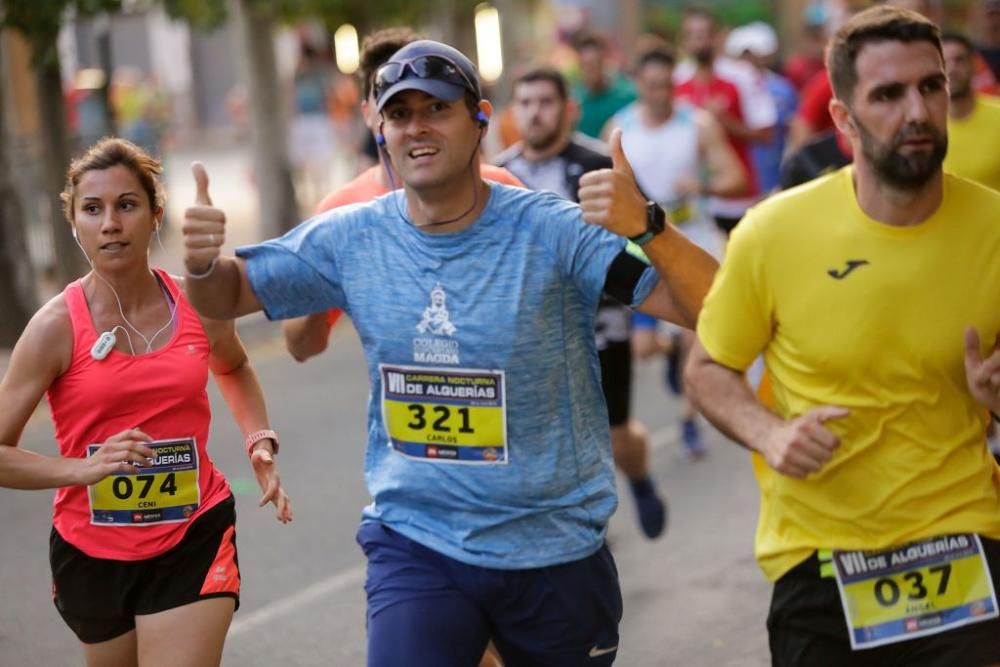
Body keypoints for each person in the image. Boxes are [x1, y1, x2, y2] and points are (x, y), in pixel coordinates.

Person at [182, 38, 718, 666]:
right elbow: (227, 294)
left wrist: (648, 226)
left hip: (553, 548)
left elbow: (711, 309)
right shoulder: (352, 236)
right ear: (380, 131)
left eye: (435, 109)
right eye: (399, 114)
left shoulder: (553, 231)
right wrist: (199, 264)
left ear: (480, 119)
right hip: (417, 540)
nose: (417, 128)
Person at [685, 7, 1000, 664]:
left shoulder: (995, 226)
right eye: (887, 94)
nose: (917, 110)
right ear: (843, 119)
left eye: (930, 86)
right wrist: (770, 432)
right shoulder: (773, 233)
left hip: (962, 535)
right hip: (819, 553)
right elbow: (709, 368)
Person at [0, 137, 291, 666]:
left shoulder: (197, 306)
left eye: (126, 205)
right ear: (74, 222)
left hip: (193, 531)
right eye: (93, 209)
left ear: (156, 214)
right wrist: (80, 470)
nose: (110, 222)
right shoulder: (54, 328)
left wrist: (258, 438)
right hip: (92, 550)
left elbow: (234, 365)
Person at [495, 65, 668, 539]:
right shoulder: (497, 174)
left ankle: (639, 477)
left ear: (568, 110)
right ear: (513, 112)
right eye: (525, 103)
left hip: (602, 320)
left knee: (616, 434)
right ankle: (578, 523)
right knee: (537, 433)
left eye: (545, 102)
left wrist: (650, 317)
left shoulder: (600, 164)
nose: (535, 113)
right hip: (527, 328)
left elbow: (647, 236)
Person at [283, 28, 523, 363]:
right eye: (395, 107)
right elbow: (301, 346)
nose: (416, 124)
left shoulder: (500, 189)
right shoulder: (342, 212)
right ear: (370, 113)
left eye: (432, 104)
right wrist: (326, 282)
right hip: (405, 401)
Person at [604, 47, 746, 458]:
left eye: (666, 86)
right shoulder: (620, 127)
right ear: (639, 86)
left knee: (692, 335)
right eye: (651, 86)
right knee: (642, 348)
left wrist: (703, 187)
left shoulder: (697, 124)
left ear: (674, 84)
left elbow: (735, 177)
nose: (659, 94)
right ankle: (665, 355)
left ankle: (688, 421)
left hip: (691, 238)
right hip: (642, 245)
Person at [675, 6, 774, 235]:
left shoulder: (742, 76)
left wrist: (725, 122)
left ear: (717, 37)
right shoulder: (676, 81)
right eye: (692, 35)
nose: (699, 41)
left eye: (705, 34)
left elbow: (766, 135)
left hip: (738, 200)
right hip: (693, 201)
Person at [941, 31, 1000, 192]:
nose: (952, 69)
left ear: (974, 66)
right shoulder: (923, 125)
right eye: (944, 62)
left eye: (959, 60)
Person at [571, 32, 637, 139]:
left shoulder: (627, 96)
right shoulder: (574, 100)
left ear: (605, 61)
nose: (593, 71)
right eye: (588, 65)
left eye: (597, 63)